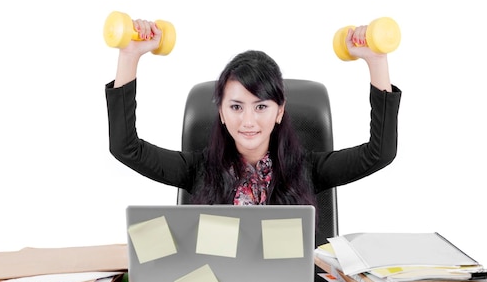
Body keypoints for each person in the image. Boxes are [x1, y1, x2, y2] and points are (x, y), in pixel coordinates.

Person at [105, 20, 401, 212]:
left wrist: (376, 60)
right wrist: (129, 56)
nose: (248, 121)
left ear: (280, 111)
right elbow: (125, 148)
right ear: (220, 111)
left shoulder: (307, 169)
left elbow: (380, 153)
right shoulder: (197, 169)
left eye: (261, 107)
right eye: (236, 107)